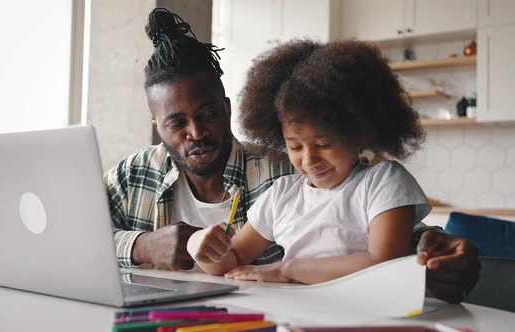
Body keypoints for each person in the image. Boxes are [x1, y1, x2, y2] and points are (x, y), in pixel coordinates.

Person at [104, 8, 479, 303]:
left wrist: (445, 254)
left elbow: (392, 247)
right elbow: (226, 261)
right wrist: (167, 246)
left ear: (228, 107)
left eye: (207, 114)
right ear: (156, 125)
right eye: (177, 123)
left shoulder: (288, 171)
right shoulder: (132, 176)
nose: (197, 132)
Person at [188, 39, 438, 285]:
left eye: (323, 145)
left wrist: (289, 270)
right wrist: (199, 246)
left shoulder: (383, 181)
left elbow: (383, 262)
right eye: (295, 146)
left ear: (358, 133)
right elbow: (231, 261)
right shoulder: (282, 195)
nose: (309, 160)